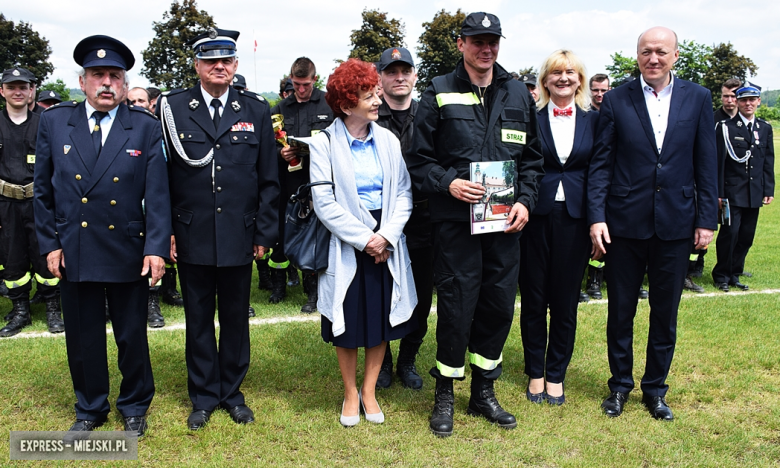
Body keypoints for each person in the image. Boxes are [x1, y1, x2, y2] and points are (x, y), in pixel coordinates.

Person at [407, 12, 544, 437]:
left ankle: (484, 391)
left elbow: (534, 162)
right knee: (456, 306)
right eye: (478, 40)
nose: (486, 48)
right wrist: (449, 183)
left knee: (499, 306)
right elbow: (417, 161)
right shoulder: (438, 91)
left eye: (493, 41)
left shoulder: (519, 93)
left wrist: (525, 200)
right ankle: (445, 392)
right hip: (455, 224)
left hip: (505, 227)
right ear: (462, 44)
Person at [33, 35, 171, 436]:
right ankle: (90, 408)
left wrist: (156, 248)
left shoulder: (143, 127)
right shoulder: (56, 121)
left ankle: (134, 404)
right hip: (75, 247)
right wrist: (50, 244)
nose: (106, 82)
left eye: (114, 76)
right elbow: (42, 192)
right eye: (98, 75)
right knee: (83, 336)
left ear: (126, 85)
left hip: (126, 247)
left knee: (132, 336)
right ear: (82, 82)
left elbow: (158, 195)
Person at [589, 26, 718, 421]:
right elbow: (601, 164)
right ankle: (620, 387)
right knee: (621, 311)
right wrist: (596, 216)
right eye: (646, 52)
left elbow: (705, 162)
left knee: (665, 312)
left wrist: (706, 219)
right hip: (625, 224)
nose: (653, 59)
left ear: (675, 55)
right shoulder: (615, 99)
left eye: (661, 52)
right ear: (638, 56)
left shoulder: (698, 97)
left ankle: (656, 389)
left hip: (676, 225)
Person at [158, 28, 278, 430]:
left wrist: (263, 232)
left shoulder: (256, 108)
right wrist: (167, 231)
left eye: (227, 60)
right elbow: (163, 178)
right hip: (190, 231)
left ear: (236, 65)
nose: (220, 67)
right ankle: (204, 396)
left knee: (234, 319)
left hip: (239, 232)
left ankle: (232, 393)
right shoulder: (173, 108)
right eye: (211, 60)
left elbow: (268, 179)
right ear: (197, 65)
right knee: (197, 319)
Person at [309, 58, 416, 427]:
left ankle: (369, 390)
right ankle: (350, 392)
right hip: (347, 242)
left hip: (386, 237)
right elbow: (324, 202)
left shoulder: (388, 139)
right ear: (345, 104)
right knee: (347, 321)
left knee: (381, 319)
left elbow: (403, 192)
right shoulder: (323, 143)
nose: (377, 99)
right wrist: (365, 240)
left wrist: (386, 236)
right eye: (368, 95)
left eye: (376, 92)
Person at [519, 50, 598, 405]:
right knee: (535, 298)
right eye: (555, 73)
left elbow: (600, 173)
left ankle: (556, 374)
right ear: (545, 80)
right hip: (535, 216)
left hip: (577, 218)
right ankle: (536, 372)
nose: (563, 78)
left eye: (570, 72)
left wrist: (598, 220)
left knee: (565, 302)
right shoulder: (530, 118)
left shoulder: (595, 120)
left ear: (580, 79)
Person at [374, 46, 432, 390]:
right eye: (391, 71)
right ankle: (384, 363)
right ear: (380, 78)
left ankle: (408, 359)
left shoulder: (429, 114)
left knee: (421, 297)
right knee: (381, 294)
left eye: (405, 71)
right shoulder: (367, 115)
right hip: (380, 222)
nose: (399, 77)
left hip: (424, 220)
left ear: (414, 75)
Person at [0, 67, 63, 337]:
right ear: (1, 91)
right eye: (11, 87)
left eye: (23, 87)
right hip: (5, 203)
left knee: (44, 254)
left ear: (31, 90)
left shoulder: (44, 123)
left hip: (39, 202)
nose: (18, 91)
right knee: (11, 257)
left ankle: (53, 308)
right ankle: (20, 311)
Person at [269, 57, 334, 312]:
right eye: (296, 84)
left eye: (305, 84)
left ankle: (313, 292)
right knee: (283, 233)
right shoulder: (279, 109)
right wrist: (280, 153)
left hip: (319, 180)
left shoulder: (329, 104)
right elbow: (270, 145)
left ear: (314, 80)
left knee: (315, 235)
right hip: (289, 181)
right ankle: (278, 286)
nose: (301, 89)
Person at [712, 82, 774, 292]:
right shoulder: (726, 128)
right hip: (731, 192)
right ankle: (721, 275)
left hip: (753, 193)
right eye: (744, 100)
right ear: (737, 102)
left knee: (746, 236)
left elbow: (767, 161)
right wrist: (718, 194)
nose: (748, 104)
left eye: (752, 100)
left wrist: (768, 189)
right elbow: (718, 164)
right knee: (730, 235)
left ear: (758, 101)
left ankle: (735, 274)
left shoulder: (764, 128)